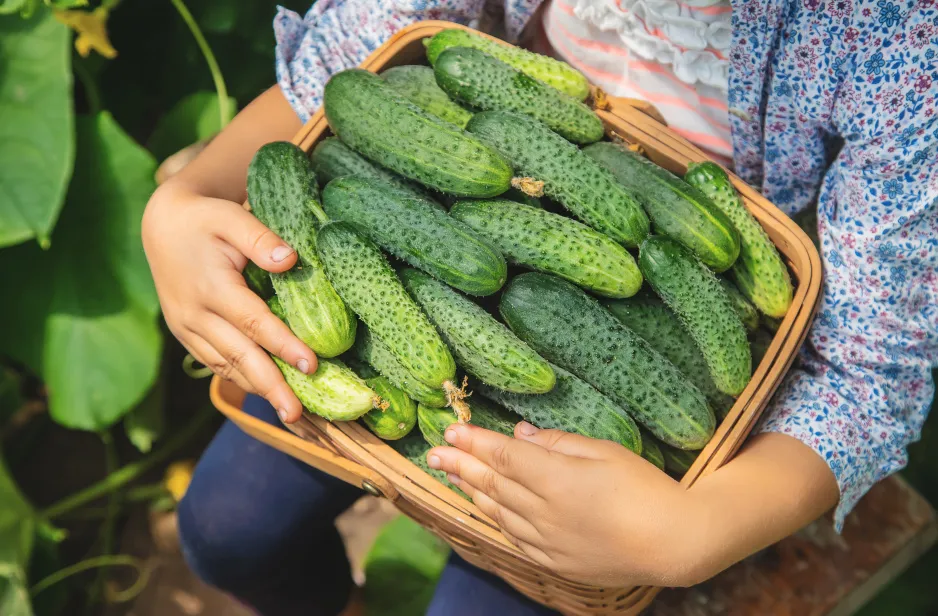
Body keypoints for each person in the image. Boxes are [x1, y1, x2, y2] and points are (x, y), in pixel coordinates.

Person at [142, 0, 938, 613]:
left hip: (613, 414)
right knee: (224, 528)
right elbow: (341, 71)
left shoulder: (897, 41)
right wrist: (183, 199)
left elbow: (869, 375)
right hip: (431, 247)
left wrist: (690, 535)